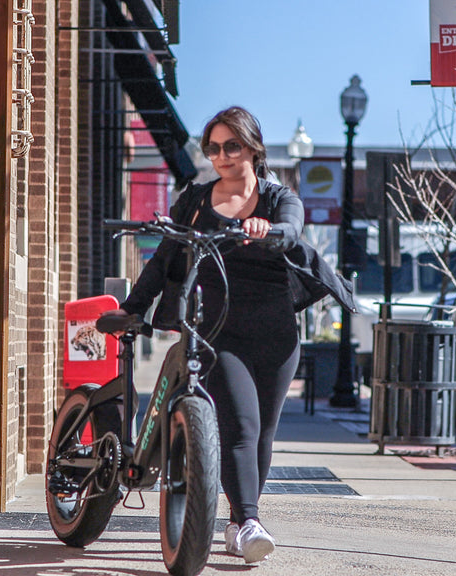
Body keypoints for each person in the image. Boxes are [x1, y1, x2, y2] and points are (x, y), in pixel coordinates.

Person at [105, 106, 355, 563]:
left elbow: (292, 228)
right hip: (215, 329)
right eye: (213, 147)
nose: (221, 155)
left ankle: (239, 522)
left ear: (253, 149)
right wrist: (133, 309)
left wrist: (270, 229)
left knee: (262, 434)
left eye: (231, 146)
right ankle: (252, 521)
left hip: (276, 335)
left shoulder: (280, 198)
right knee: (239, 426)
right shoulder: (196, 200)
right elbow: (164, 258)